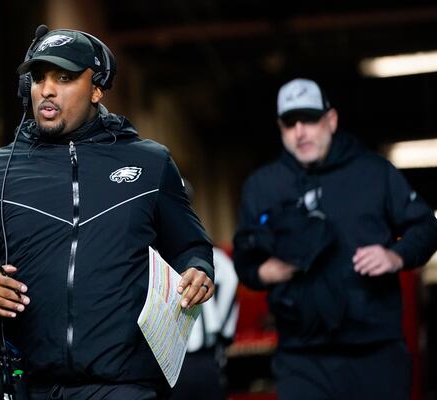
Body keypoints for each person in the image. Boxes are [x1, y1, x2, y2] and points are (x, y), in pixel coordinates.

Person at [0, 26, 215, 400]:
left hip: (125, 385)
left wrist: (198, 268)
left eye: (65, 78)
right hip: (32, 386)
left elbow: (190, 245)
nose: (47, 90)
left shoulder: (150, 164)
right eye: (38, 79)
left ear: (97, 88)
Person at [232, 77, 437, 400]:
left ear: (331, 120)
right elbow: (245, 262)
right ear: (280, 128)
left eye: (310, 119)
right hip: (302, 357)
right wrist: (264, 272)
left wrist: (395, 256)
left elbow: (426, 226)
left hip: (375, 351)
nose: (300, 132)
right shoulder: (262, 187)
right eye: (290, 123)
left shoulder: (374, 173)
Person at [171, 182, 239, 400]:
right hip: (193, 359)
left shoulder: (215, 257)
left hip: (201, 357)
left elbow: (230, 283)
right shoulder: (215, 257)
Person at [170, 246, 238, 400]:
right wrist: (222, 330)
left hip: (183, 355)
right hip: (206, 352)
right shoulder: (215, 255)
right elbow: (231, 280)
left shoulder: (154, 253)